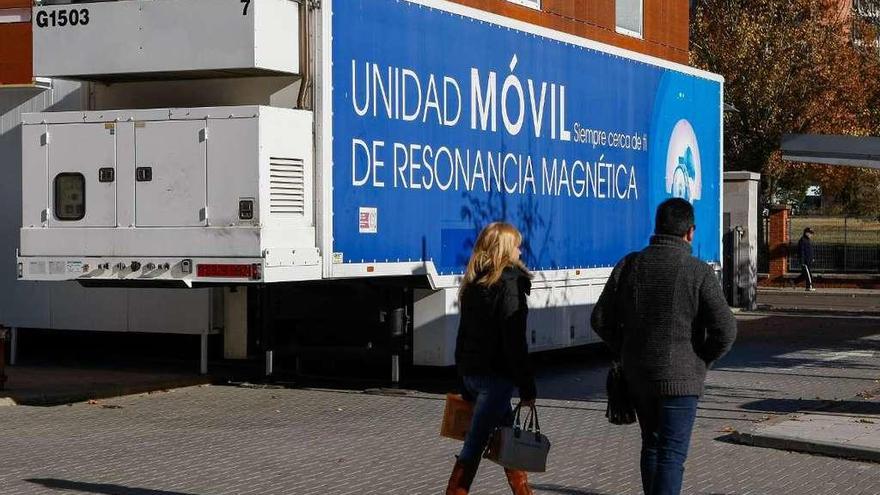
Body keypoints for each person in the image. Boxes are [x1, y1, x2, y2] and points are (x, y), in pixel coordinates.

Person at [591, 198, 737, 495]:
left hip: (639, 378)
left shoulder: (630, 265)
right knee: (671, 455)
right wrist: (701, 361)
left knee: (652, 447)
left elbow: (600, 319)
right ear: (690, 232)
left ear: (656, 226)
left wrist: (626, 349)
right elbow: (727, 330)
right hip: (681, 382)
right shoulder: (698, 272)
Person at [445, 222, 537, 495]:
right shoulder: (509, 285)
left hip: (473, 373)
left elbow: (463, 334)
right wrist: (527, 387)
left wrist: (463, 375)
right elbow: (514, 342)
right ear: (506, 249)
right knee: (473, 446)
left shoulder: (474, 282)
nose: (521, 250)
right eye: (517, 245)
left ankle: (523, 492)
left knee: (508, 438)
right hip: (496, 377)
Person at [794, 227, 816, 291]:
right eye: (810, 233)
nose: (811, 235)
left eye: (811, 233)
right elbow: (801, 252)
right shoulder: (802, 240)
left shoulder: (807, 240)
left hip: (808, 261)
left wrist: (812, 258)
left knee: (804, 275)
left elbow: (809, 251)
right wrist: (802, 261)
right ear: (806, 233)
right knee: (809, 275)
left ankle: (793, 282)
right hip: (805, 261)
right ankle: (809, 287)